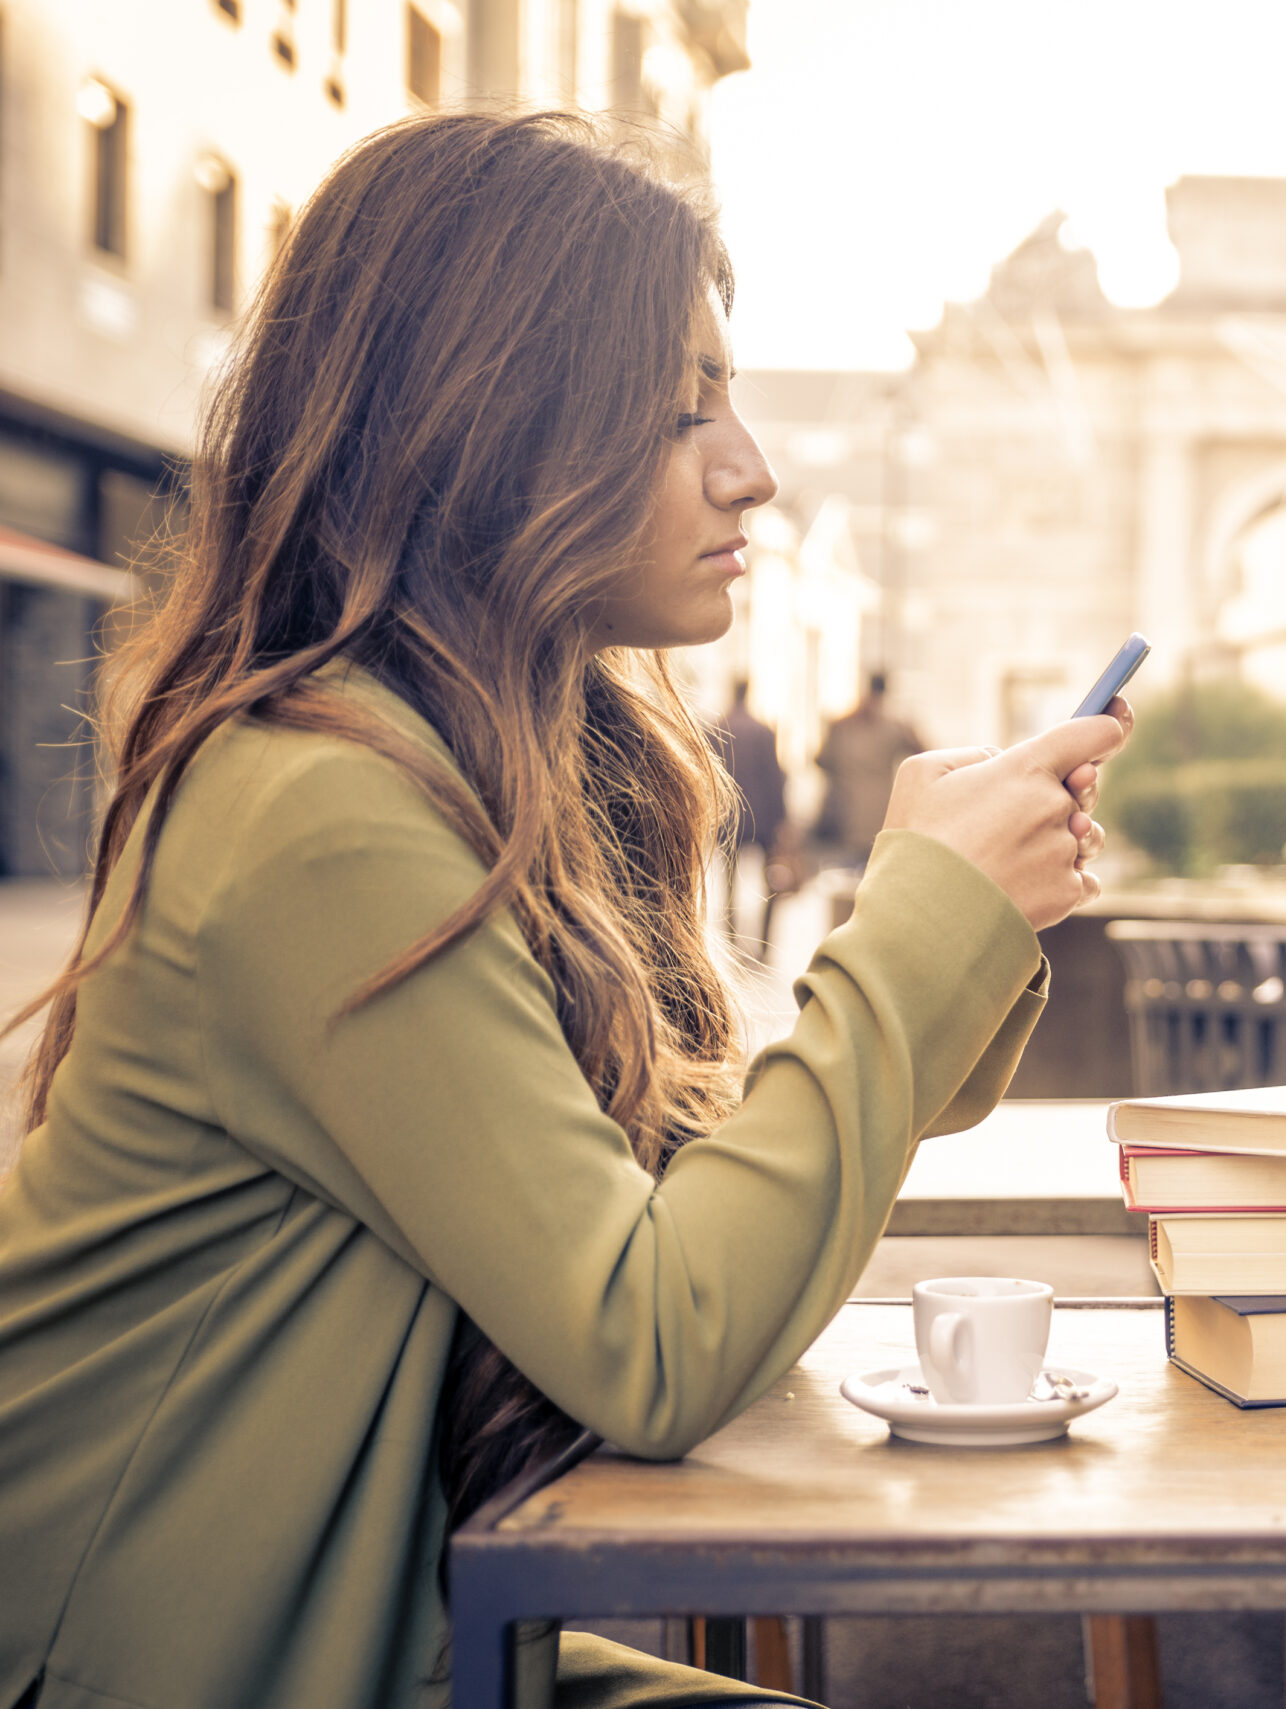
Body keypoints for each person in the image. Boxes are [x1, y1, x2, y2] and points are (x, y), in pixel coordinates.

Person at [0, 111, 1127, 1709]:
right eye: (680, 413)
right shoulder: (326, 811)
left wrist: (959, 919)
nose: (755, 465)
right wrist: (924, 925)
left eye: (729, 392)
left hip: (383, 1638)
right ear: (489, 435)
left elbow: (670, 1194)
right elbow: (654, 1338)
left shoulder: (478, 754)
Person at [713, 677, 794, 955]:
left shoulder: (717, 728)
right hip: (762, 818)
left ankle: (732, 939)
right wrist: (782, 820)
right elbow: (775, 778)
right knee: (770, 880)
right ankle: (763, 942)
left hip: (728, 818)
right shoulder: (763, 731)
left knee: (730, 883)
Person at [815, 673, 927, 871]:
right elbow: (924, 755)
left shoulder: (844, 725)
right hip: (881, 812)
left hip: (846, 812)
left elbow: (821, 760)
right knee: (874, 870)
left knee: (846, 874)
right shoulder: (895, 727)